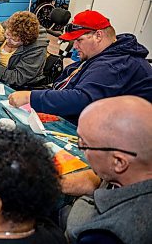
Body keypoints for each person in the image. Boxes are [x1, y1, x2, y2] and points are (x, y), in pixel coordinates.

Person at [8, 10, 152, 124]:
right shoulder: (102, 54)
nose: (75, 46)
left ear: (98, 36)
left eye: (79, 40)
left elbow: (81, 99)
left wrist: (30, 96)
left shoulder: (115, 64)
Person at [63, 96, 152, 243]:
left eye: (84, 145)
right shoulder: (136, 169)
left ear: (118, 162)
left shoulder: (107, 235)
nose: (81, 150)